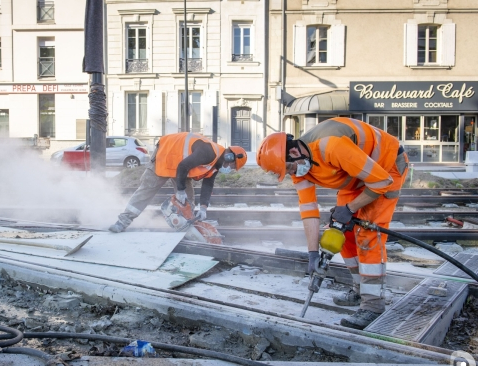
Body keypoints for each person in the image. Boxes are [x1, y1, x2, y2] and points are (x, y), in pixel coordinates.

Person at [257, 117, 409, 330]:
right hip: (357, 175)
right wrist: (312, 253)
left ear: (293, 153)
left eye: (289, 169)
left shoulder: (332, 146)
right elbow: (308, 210)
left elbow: (381, 182)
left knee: (366, 235)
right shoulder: (302, 166)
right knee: (340, 231)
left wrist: (350, 208)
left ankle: (373, 305)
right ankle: (359, 290)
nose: (292, 175)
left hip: (386, 167)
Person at [109, 132, 247, 233]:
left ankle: (186, 227)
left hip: (181, 164)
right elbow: (182, 166)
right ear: (229, 157)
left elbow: (208, 184)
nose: (231, 169)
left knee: (188, 198)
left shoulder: (216, 164)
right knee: (148, 188)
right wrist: (180, 191)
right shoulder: (209, 152)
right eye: (233, 166)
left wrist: (204, 207)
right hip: (165, 154)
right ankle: (122, 221)